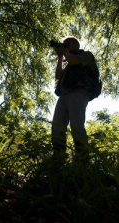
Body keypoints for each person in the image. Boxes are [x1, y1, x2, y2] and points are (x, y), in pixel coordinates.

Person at [51, 36, 97, 165]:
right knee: (57, 126)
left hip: (79, 92)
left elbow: (74, 61)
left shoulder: (86, 55)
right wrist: (60, 57)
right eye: (64, 44)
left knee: (76, 125)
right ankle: (58, 159)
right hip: (64, 95)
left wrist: (64, 52)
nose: (65, 46)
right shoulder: (68, 62)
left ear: (76, 44)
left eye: (68, 44)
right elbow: (58, 75)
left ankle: (83, 160)